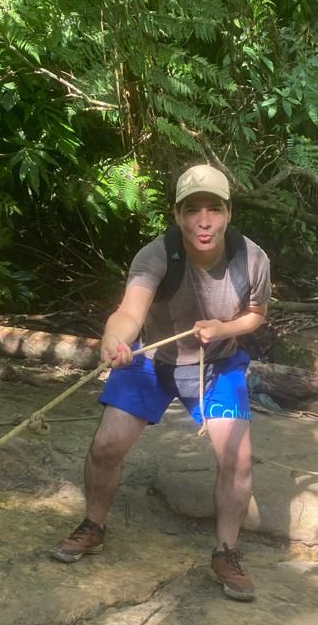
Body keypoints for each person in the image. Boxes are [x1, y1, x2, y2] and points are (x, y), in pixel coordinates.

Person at [50, 164, 271, 601]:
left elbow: (256, 314)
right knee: (106, 445)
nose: (203, 221)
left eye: (213, 209)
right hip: (152, 360)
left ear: (228, 213)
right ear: (177, 214)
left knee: (238, 459)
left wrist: (224, 330)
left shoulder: (252, 259)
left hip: (217, 365)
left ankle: (226, 552)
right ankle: (93, 526)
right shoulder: (156, 255)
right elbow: (129, 313)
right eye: (192, 210)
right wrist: (114, 341)